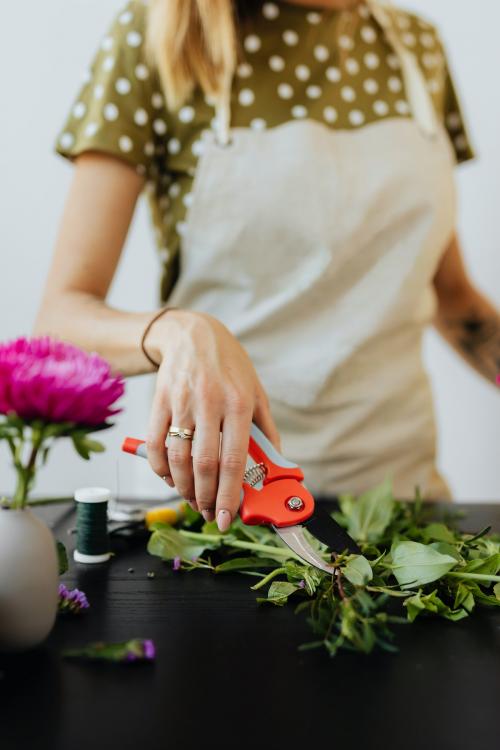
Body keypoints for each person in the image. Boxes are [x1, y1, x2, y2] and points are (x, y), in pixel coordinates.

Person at [35, 0, 500, 532]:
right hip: (222, 507)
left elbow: (454, 296)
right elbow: (61, 324)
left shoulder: (419, 47)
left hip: (401, 496)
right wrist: (179, 333)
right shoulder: (158, 35)